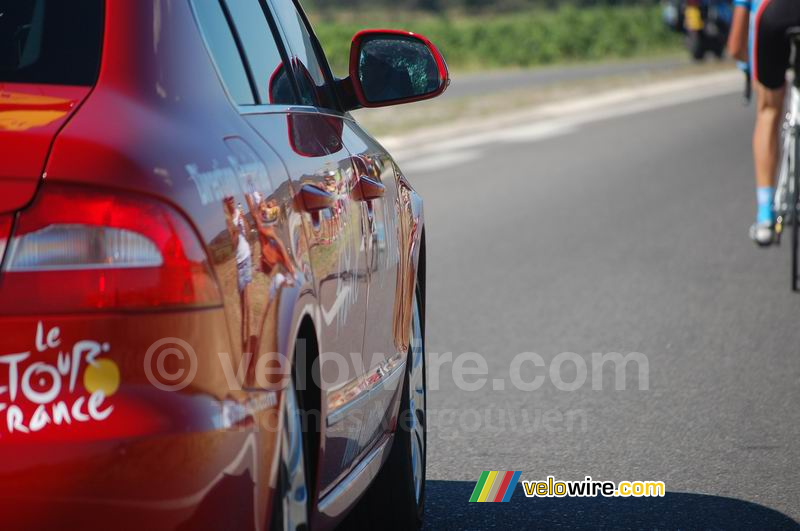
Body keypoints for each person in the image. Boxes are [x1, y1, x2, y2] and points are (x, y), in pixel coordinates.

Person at [728, 0, 800, 246]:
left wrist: (749, 66)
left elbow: (736, 45)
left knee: (768, 110)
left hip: (774, 13)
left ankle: (765, 215)